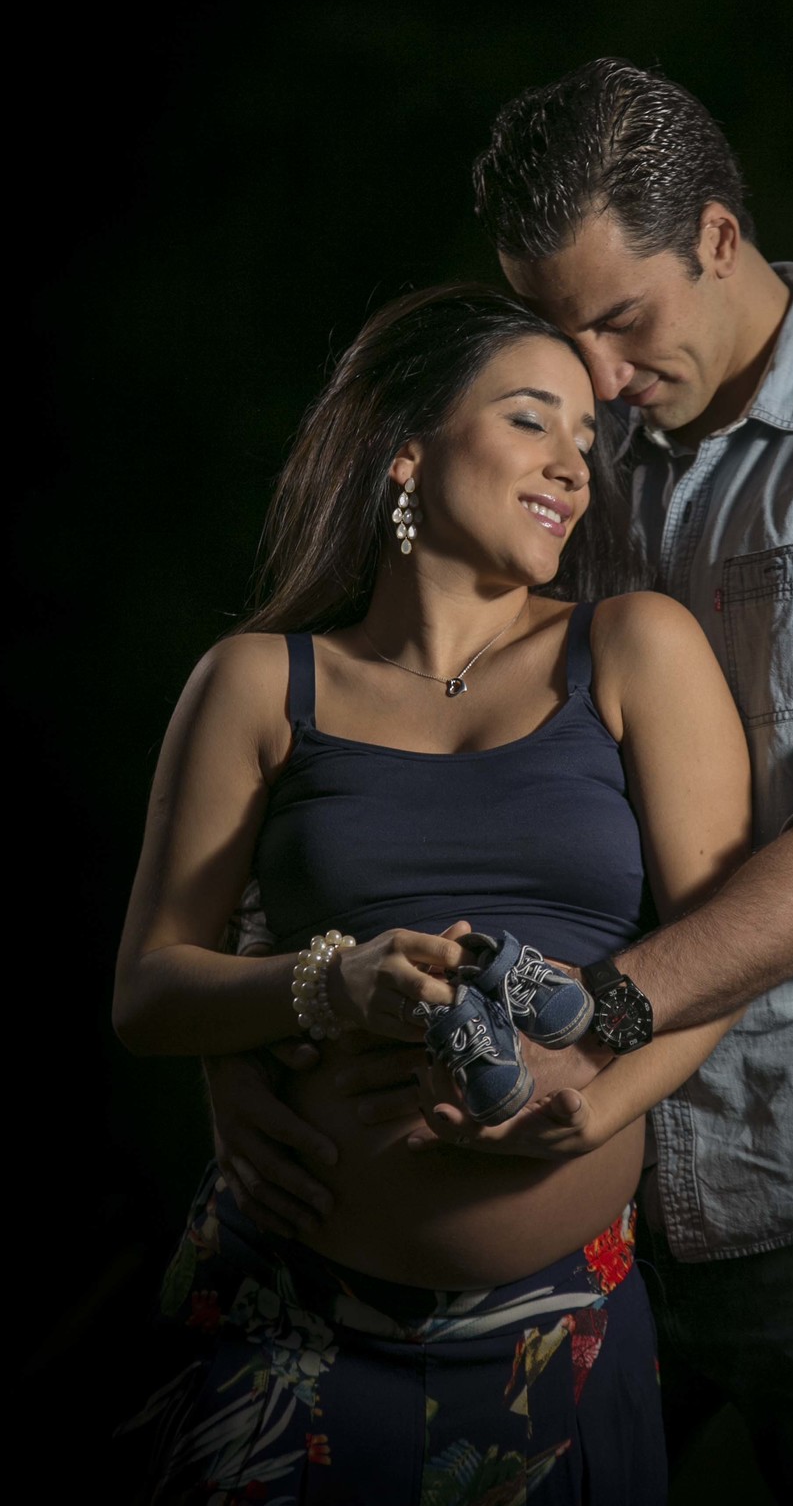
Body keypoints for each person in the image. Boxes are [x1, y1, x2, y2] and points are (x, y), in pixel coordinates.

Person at [211, 59, 793, 1504]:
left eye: (618, 319)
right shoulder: (553, 463)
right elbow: (364, 754)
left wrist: (604, 1024)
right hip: (580, 1239)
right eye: (552, 332)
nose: (590, 376)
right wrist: (243, 1052)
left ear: (719, 239)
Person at [112, 284, 753, 1504]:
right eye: (532, 421)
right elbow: (149, 990)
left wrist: (606, 1096)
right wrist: (328, 984)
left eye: (585, 438)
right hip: (279, 1324)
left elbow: (726, 954)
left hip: (552, 1339)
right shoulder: (258, 683)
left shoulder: (631, 648)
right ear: (407, 448)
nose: (573, 463)